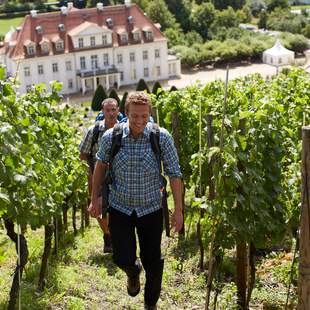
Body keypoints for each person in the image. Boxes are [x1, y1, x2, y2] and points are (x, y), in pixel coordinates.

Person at [88, 92, 183, 310]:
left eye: (144, 116)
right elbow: (100, 166)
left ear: (149, 114)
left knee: (154, 262)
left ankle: (150, 304)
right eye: (134, 116)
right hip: (120, 207)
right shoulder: (112, 137)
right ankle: (132, 271)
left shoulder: (161, 137)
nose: (139, 121)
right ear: (126, 114)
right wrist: (95, 198)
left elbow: (174, 174)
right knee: (121, 257)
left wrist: (178, 210)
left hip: (151, 209)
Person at [79, 98, 120, 253]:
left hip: (120, 175)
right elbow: (83, 153)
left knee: (119, 207)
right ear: (102, 111)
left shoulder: (124, 129)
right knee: (98, 207)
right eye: (107, 110)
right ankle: (108, 234)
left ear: (118, 110)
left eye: (113, 109)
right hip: (99, 175)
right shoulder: (94, 130)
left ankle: (117, 235)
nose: (110, 113)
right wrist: (90, 172)